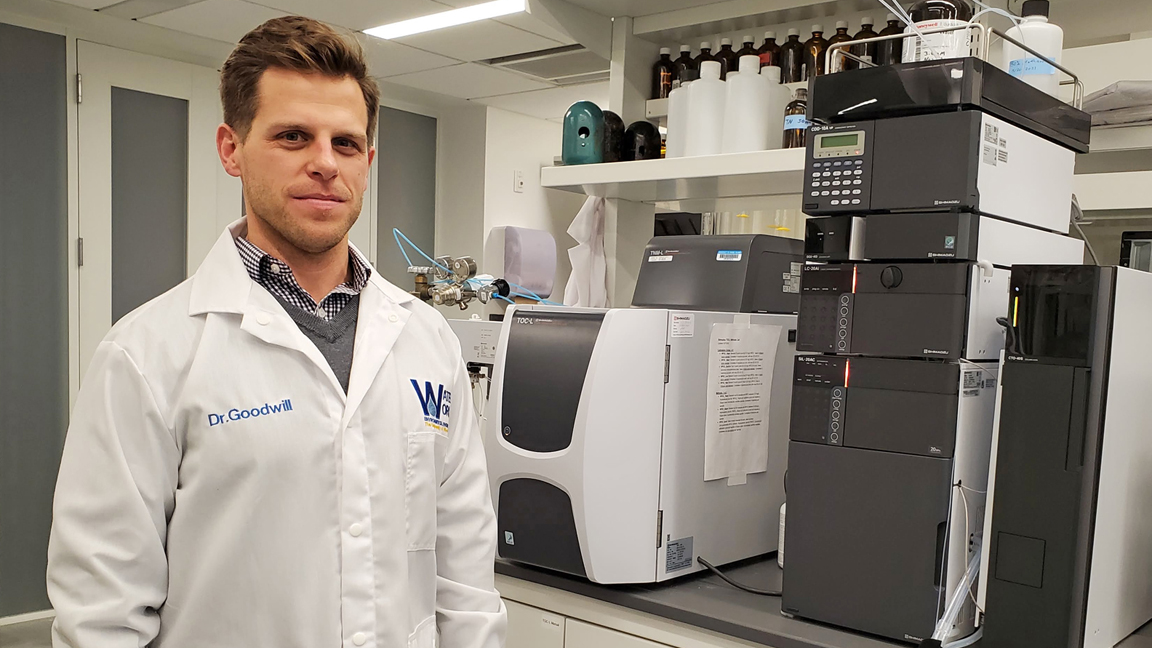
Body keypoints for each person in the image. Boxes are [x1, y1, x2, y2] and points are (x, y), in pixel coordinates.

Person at [46, 16, 506, 648]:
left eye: (345, 144)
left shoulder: (428, 340)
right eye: (293, 136)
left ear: (368, 162)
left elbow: (466, 578)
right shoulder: (147, 355)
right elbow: (101, 615)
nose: (324, 163)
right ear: (232, 149)